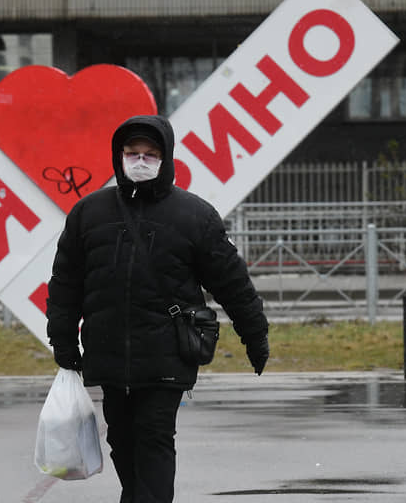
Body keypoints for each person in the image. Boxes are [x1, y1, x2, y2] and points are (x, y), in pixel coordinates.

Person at [46, 114, 270, 503]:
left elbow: (232, 282)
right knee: (122, 440)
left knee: (153, 437)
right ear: (119, 157)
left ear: (166, 158)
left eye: (150, 154)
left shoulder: (195, 215)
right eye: (132, 153)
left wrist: (255, 336)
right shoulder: (89, 213)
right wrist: (62, 341)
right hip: (109, 353)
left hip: (168, 355)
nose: (140, 160)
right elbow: (66, 283)